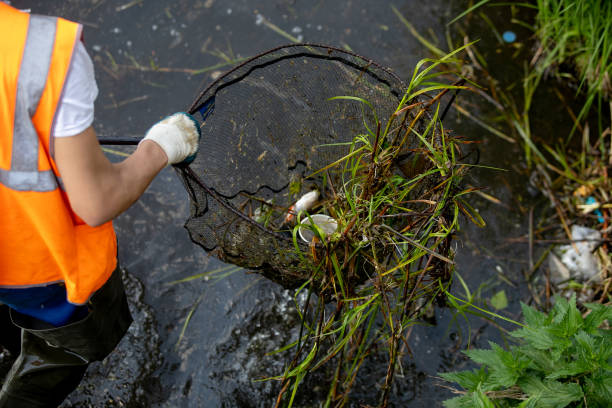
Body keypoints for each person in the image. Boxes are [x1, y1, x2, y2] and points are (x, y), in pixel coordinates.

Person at [0, 3, 201, 406]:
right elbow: (97, 202)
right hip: (36, 272)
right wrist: (160, 148)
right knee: (60, 351)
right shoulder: (42, 52)